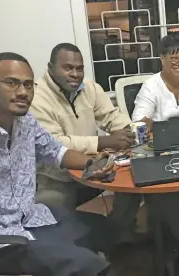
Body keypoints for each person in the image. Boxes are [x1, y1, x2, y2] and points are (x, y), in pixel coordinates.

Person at [0, 52, 118, 275]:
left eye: (28, 85)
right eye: (11, 83)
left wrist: (93, 163)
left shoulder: (25, 122)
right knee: (86, 265)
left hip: (29, 218)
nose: (23, 92)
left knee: (105, 230)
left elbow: (56, 152)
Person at [30, 43, 141, 228]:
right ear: (51, 68)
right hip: (57, 178)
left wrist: (131, 131)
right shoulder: (36, 97)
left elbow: (110, 115)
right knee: (53, 213)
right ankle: (83, 247)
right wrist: (103, 141)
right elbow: (55, 143)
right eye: (67, 68)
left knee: (134, 183)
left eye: (79, 68)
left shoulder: (89, 87)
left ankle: (116, 232)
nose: (75, 74)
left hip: (91, 168)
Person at [131, 34, 179, 131]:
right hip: (160, 139)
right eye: (174, 59)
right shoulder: (150, 85)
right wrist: (165, 128)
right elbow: (138, 119)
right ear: (162, 59)